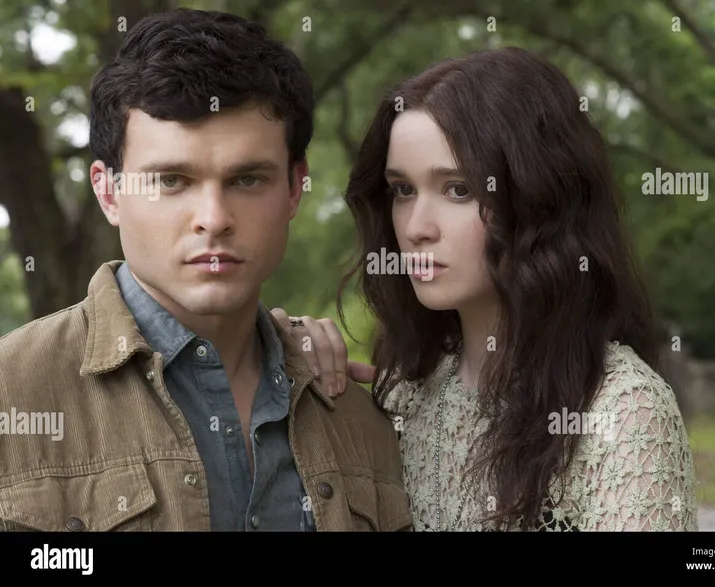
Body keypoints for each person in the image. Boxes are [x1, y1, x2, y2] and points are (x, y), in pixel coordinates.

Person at [0, 8, 412, 532]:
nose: (214, 220)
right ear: (108, 192)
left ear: (293, 188)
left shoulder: (361, 419)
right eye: (172, 180)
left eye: (247, 180)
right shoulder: (11, 395)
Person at [273, 46, 699, 531]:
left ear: (539, 201)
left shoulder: (622, 411)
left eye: (458, 189)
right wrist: (279, 354)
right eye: (403, 190)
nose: (416, 226)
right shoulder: (404, 394)